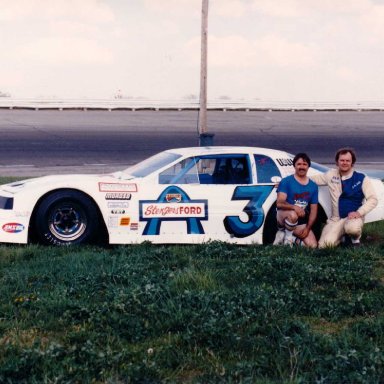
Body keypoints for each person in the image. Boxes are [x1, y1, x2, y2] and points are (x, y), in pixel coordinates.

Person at [310, 148, 378, 247]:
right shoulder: (331, 174)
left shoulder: (361, 178)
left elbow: (373, 199)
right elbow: (311, 180)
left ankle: (355, 240)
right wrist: (288, 181)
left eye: (347, 160)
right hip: (336, 219)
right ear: (337, 162)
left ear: (352, 162)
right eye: (342, 160)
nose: (344, 163)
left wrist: (359, 212)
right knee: (324, 246)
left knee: (352, 229)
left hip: (353, 217)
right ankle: (343, 237)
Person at [273, 153, 318, 248]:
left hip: (300, 221)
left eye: (304, 164)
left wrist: (307, 228)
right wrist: (294, 207)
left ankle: (291, 237)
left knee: (312, 246)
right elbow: (279, 203)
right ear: (294, 166)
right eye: (299, 164)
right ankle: (288, 240)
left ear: (308, 166)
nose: (302, 167)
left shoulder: (313, 186)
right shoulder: (286, 181)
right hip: (283, 216)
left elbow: (314, 211)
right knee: (293, 215)